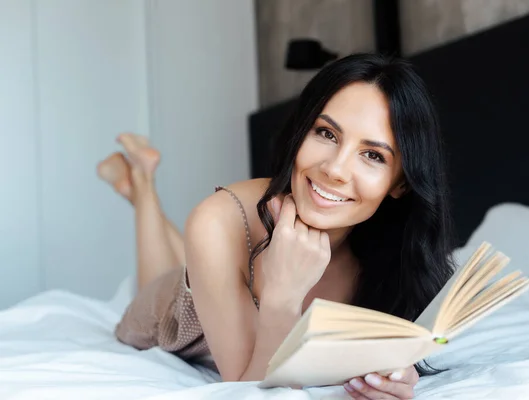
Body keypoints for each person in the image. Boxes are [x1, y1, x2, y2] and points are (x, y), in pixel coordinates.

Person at [97, 53, 456, 400]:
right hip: (170, 314)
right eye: (327, 134)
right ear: (302, 131)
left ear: (401, 183)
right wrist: (283, 296)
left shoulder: (390, 252)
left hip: (220, 263)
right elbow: (248, 389)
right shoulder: (219, 219)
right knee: (158, 280)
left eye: (373, 156)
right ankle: (142, 188)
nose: (335, 169)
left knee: (200, 255)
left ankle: (141, 184)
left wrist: (395, 372)